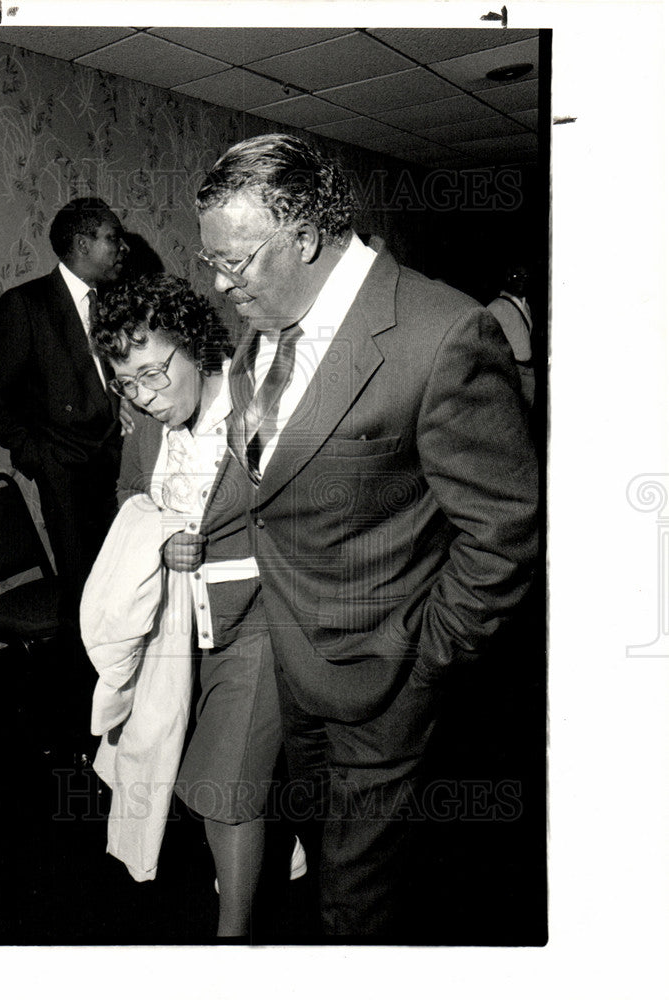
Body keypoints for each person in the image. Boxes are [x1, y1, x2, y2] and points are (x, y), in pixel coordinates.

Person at [195, 133, 539, 939]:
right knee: (322, 854)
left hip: (387, 681)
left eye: (235, 260)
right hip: (294, 664)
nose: (219, 281)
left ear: (304, 239)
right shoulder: (267, 324)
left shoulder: (441, 332)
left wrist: (426, 661)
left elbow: (502, 533)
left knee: (359, 904)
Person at [88, 273, 302, 939]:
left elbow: (299, 523)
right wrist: (159, 540)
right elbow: (131, 499)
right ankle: (264, 856)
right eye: (129, 383)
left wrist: (205, 552)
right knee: (171, 760)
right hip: (177, 631)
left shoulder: (258, 411)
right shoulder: (147, 430)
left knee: (222, 786)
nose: (146, 397)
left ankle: (231, 940)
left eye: (155, 374)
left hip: (257, 624)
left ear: (196, 344)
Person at [0, 198, 129, 749]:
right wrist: (37, 457)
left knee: (123, 587)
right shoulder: (26, 306)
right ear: (83, 243)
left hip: (119, 467)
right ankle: (81, 720)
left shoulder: (116, 303)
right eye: (113, 237)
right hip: (66, 473)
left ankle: (122, 697)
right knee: (82, 594)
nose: (122, 248)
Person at [487, 264, 535, 408]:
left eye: (525, 277)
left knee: (525, 415)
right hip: (511, 370)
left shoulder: (526, 306)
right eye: (516, 276)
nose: (521, 280)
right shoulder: (497, 306)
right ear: (508, 279)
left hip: (528, 371)